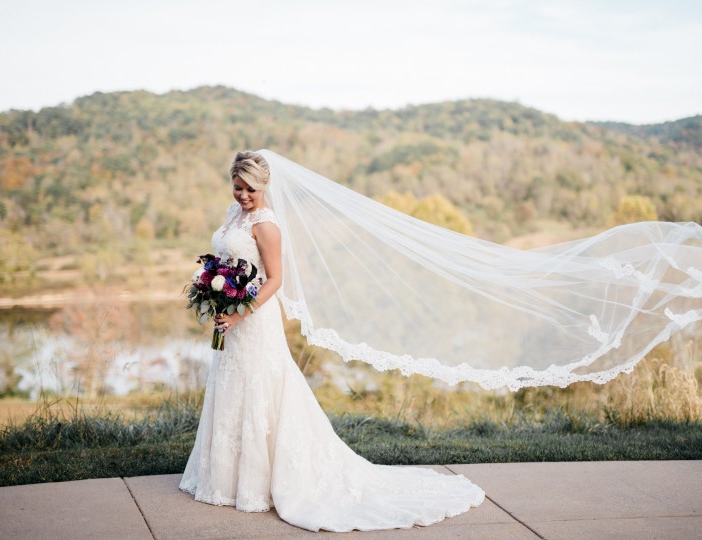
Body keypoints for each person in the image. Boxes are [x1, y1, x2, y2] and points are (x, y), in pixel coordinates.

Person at [178, 151, 485, 533]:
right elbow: (226, 262)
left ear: (264, 186)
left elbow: (275, 279)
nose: (242, 195)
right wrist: (212, 290)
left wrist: (239, 313)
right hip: (231, 317)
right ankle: (224, 479)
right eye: (237, 187)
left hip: (254, 321)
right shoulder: (232, 214)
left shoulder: (267, 224)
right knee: (230, 384)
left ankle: (260, 483)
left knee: (261, 386)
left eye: (250, 189)